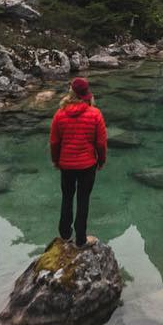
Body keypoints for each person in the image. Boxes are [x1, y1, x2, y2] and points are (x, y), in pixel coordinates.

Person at [49, 77, 107, 249]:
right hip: (87, 165)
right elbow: (101, 143)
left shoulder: (59, 115)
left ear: (71, 93)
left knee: (67, 197)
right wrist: (101, 160)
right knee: (83, 200)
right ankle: (81, 239)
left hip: (66, 165)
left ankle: (65, 235)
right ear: (86, 94)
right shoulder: (95, 114)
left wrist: (56, 160)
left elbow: (54, 142)